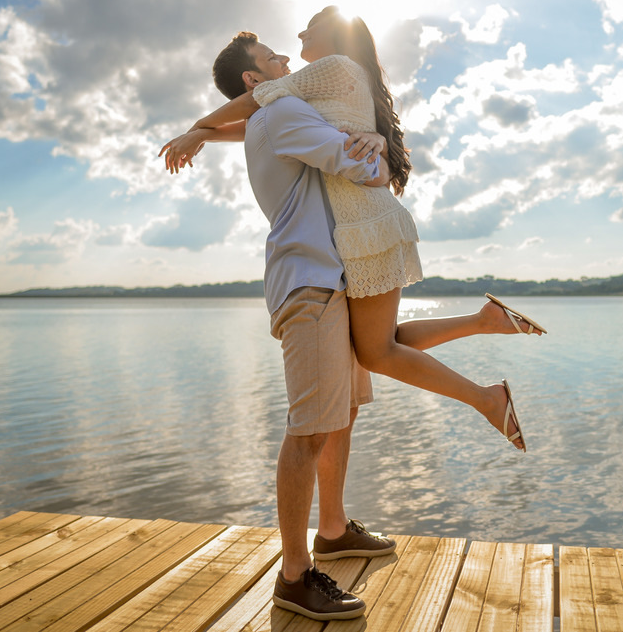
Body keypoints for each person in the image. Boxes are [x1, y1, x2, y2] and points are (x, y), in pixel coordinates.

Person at [163, 30, 546, 621]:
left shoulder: (279, 110)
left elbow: (257, 126)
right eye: (272, 58)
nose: (286, 57)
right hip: (311, 284)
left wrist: (202, 131)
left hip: (331, 277)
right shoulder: (284, 108)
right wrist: (364, 145)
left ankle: (334, 530)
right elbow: (360, 169)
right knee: (310, 429)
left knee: (348, 399)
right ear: (254, 79)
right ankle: (293, 577)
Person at [162, 8, 545, 454]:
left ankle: (486, 396)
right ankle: (487, 324)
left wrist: (195, 131)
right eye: (276, 50)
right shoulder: (325, 82)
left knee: (377, 352)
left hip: (365, 221)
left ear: (339, 35)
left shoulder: (333, 67)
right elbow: (256, 124)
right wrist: (206, 136)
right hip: (362, 225)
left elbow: (255, 104)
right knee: (377, 345)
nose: (298, 35)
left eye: (312, 25)